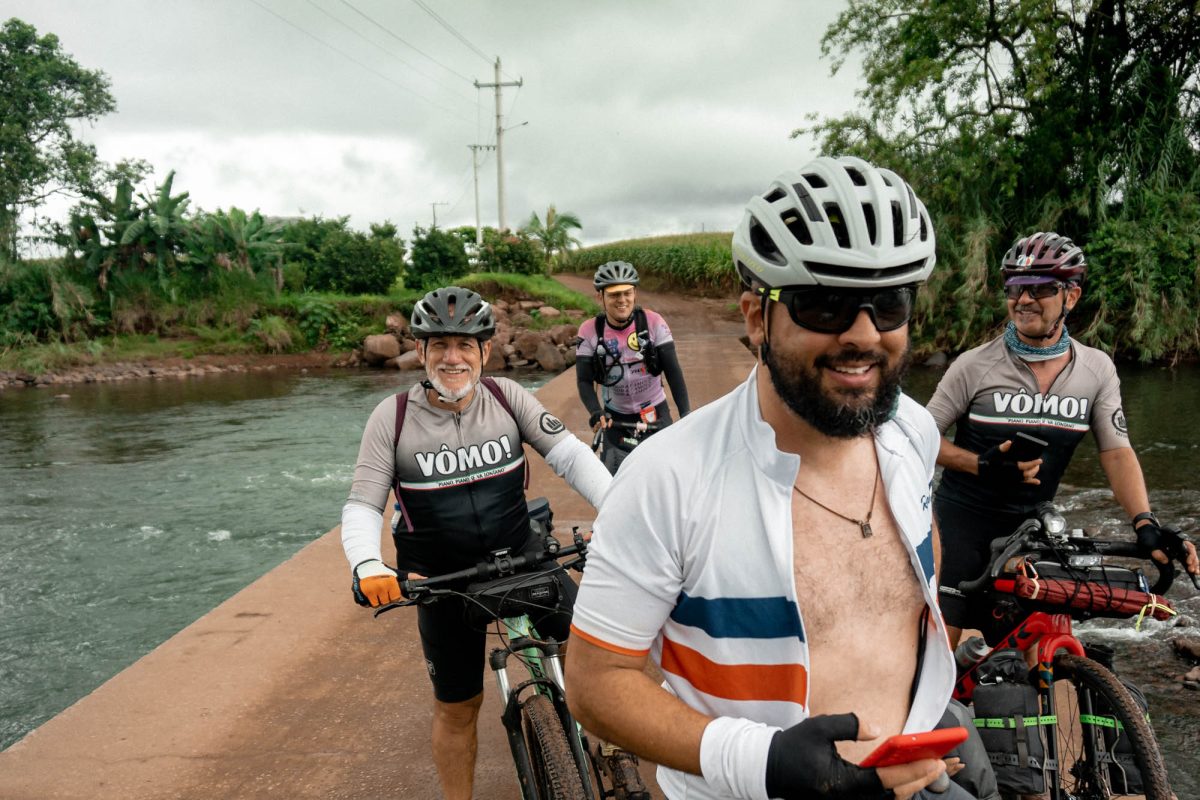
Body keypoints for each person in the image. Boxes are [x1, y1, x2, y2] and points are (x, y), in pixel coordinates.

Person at [564, 157, 970, 800]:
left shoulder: (910, 431)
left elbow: (920, 554)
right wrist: (765, 761)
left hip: (910, 776)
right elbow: (596, 681)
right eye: (825, 304)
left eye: (889, 302)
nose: (863, 335)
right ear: (757, 317)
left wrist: (927, 684)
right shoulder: (668, 478)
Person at [339, 286, 613, 800]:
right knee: (458, 708)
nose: (452, 357)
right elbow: (363, 505)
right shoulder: (391, 419)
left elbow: (571, 455)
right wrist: (369, 564)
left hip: (525, 557)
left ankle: (617, 753)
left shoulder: (508, 397)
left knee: (601, 660)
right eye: (438, 344)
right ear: (419, 352)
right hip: (442, 584)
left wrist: (620, 512)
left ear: (485, 351)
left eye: (465, 345)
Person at [927, 232, 1199, 646]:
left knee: (1044, 646)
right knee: (941, 645)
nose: (1024, 299)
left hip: (1033, 527)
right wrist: (979, 464)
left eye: (1039, 288)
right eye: (1015, 288)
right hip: (963, 520)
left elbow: (1116, 451)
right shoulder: (973, 365)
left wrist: (1145, 521)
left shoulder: (1096, 369)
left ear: (1070, 296)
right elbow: (918, 437)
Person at [575, 260, 691, 472]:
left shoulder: (653, 322)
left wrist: (686, 415)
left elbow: (673, 371)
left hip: (655, 413)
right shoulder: (589, 331)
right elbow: (583, 381)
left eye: (627, 293)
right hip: (615, 419)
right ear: (600, 297)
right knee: (613, 485)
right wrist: (595, 412)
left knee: (666, 477)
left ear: (635, 293)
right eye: (614, 295)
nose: (622, 300)